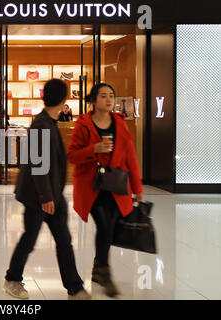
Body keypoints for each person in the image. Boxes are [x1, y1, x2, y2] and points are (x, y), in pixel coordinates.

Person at [4, 79, 91, 300]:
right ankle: (12, 279)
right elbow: (38, 164)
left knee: (63, 241)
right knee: (30, 239)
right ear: (64, 99)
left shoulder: (48, 122)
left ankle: (75, 288)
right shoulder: (42, 125)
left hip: (51, 194)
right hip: (39, 197)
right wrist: (46, 196)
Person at [67, 83, 143, 298]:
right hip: (92, 186)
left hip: (116, 184)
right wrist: (94, 149)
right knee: (104, 223)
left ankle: (100, 268)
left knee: (109, 226)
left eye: (111, 96)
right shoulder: (83, 124)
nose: (108, 100)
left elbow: (130, 157)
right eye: (103, 96)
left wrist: (137, 187)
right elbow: (72, 156)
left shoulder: (120, 123)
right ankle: (104, 272)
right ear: (93, 100)